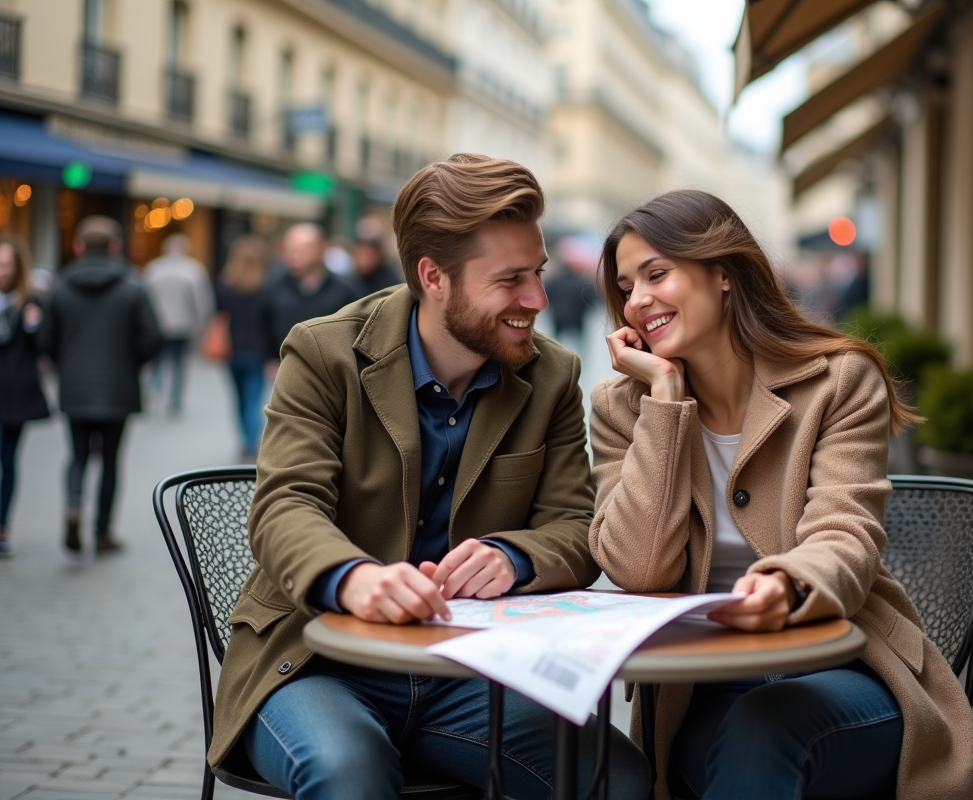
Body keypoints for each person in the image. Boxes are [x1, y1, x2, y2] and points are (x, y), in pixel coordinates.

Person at [210, 154, 650, 800]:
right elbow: (284, 508)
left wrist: (513, 557)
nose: (537, 299)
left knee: (621, 778)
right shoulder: (323, 351)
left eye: (538, 273)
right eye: (510, 280)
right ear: (432, 277)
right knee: (348, 772)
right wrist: (355, 578)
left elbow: (578, 529)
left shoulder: (552, 375)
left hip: (466, 675)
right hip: (315, 660)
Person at [589, 190, 973, 800]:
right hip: (700, 688)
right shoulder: (621, 409)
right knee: (746, 735)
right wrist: (664, 403)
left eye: (656, 274)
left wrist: (785, 584)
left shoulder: (839, 381)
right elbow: (638, 568)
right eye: (626, 285)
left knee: (765, 730)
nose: (638, 300)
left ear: (723, 273)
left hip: (844, 666)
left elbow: (845, 533)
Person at [39, 216, 162, 554]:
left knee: (77, 456)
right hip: (118, 387)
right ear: (115, 247)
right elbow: (153, 336)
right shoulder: (133, 285)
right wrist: (130, 362)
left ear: (79, 247)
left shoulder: (61, 286)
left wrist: (66, 363)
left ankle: (74, 505)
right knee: (110, 460)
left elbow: (45, 338)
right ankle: (103, 531)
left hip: (75, 386)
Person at [0, 235, 50, 557]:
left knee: (8, 460)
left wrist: (34, 326)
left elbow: (44, 347)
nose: (1, 270)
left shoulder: (31, 302)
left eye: (6, 264)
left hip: (15, 394)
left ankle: (2, 526)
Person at [259, 223, 360, 369]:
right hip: (285, 368)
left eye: (302, 250)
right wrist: (270, 358)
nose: (294, 257)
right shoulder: (274, 287)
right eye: (290, 251)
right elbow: (262, 325)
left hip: (330, 371)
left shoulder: (345, 289)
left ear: (320, 249)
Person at [144, 233, 214, 414]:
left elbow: (144, 298)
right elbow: (201, 300)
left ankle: (154, 391)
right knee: (179, 363)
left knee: (157, 361)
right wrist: (201, 323)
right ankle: (174, 399)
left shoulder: (153, 269)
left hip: (158, 324)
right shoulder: (194, 270)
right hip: (183, 325)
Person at [215, 234, 271, 459]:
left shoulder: (225, 285)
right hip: (257, 352)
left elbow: (219, 315)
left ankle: (244, 438)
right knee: (253, 398)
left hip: (232, 350)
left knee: (238, 398)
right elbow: (270, 323)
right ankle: (250, 440)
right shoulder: (267, 287)